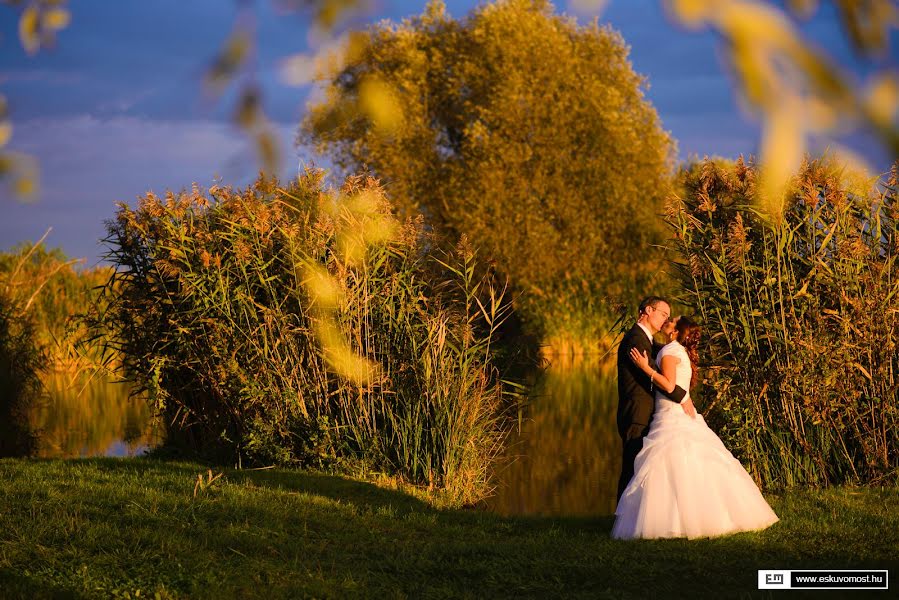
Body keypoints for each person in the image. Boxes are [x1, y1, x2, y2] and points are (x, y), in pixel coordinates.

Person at [612, 316, 779, 539]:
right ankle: (694, 516)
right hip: (674, 409)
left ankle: (669, 521)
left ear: (675, 332)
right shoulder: (677, 350)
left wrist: (646, 368)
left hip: (670, 413)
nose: (667, 322)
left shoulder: (671, 351)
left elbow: (670, 385)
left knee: (670, 463)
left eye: (671, 321)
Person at [615, 296, 692, 502]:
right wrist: (683, 397)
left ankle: (635, 517)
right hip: (636, 413)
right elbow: (660, 378)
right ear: (648, 310)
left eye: (669, 316)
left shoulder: (647, 340)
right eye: (663, 314)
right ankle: (620, 520)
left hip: (647, 413)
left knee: (640, 469)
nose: (665, 319)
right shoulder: (635, 339)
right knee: (632, 468)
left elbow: (665, 357)